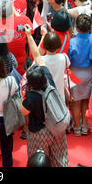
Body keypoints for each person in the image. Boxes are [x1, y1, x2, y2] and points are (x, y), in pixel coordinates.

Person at [19, 25, 68, 167]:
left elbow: (23, 111)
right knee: (59, 158)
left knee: (38, 160)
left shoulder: (32, 96)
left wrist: (29, 35)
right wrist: (34, 35)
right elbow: (38, 57)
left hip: (39, 132)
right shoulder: (48, 80)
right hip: (58, 125)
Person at [68, 14, 92, 136]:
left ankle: (77, 128)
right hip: (89, 71)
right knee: (86, 100)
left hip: (75, 73)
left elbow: (68, 61)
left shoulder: (72, 41)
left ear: (77, 28)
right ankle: (85, 126)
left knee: (76, 102)